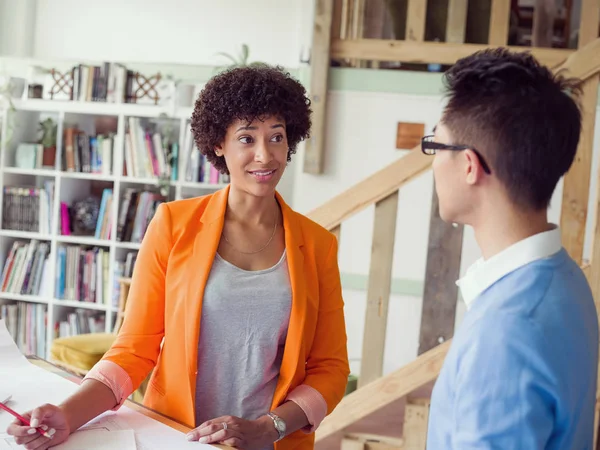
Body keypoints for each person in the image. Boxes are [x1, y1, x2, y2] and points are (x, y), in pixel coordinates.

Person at [7, 65, 350, 450]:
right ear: (219, 144)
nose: (264, 154)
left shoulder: (318, 245)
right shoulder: (173, 224)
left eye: (277, 137)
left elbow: (331, 369)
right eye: (246, 138)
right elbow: (134, 349)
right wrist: (68, 415)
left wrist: (268, 428)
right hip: (175, 437)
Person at [423, 48, 598, 449]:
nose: (432, 161)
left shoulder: (507, 330)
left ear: (469, 166)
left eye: (435, 145)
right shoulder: (565, 279)